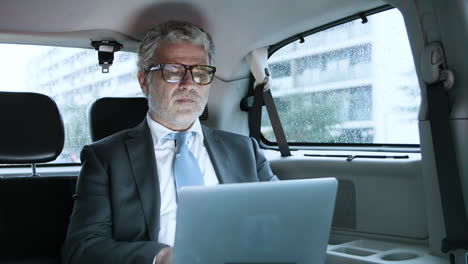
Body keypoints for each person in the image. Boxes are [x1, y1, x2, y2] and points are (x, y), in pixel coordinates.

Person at [62, 20, 277, 264]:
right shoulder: (104, 158)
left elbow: (281, 221)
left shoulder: (245, 150)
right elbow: (81, 249)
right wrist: (160, 257)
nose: (189, 84)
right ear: (144, 82)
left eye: (200, 72)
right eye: (173, 71)